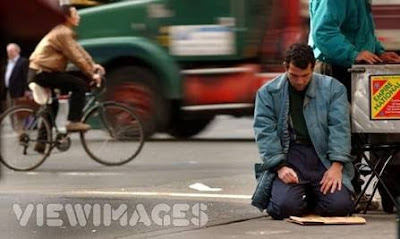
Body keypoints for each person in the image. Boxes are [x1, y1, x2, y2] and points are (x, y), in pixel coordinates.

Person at [251, 43, 354, 220]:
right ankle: (291, 195)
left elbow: (340, 128)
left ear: (313, 68)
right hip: (290, 156)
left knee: (340, 206)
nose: (299, 81)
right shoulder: (268, 92)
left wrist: (337, 166)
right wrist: (280, 167)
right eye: (294, 76)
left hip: (322, 157)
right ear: (285, 67)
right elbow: (264, 131)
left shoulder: (333, 89)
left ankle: (314, 196)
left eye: (305, 76)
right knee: (284, 207)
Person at [28, 5, 104, 131]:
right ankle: (73, 121)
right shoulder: (63, 33)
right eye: (76, 14)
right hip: (42, 72)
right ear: (67, 18)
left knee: (53, 105)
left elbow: (79, 50)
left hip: (40, 71)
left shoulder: (64, 31)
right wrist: (91, 74)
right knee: (79, 85)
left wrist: (92, 65)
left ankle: (41, 143)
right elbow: (75, 57)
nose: (79, 17)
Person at [308, 0, 400, 100]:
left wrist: (378, 53)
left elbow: (362, 31)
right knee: (337, 114)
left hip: (349, 67)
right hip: (334, 68)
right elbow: (323, 33)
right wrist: (352, 54)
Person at [0, 43, 29, 112]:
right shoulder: (6, 62)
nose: (9, 53)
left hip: (19, 92)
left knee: (19, 111)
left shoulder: (23, 61)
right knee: (8, 110)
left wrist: (26, 90)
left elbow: (26, 77)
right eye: (8, 51)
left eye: (11, 51)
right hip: (7, 91)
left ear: (17, 51)